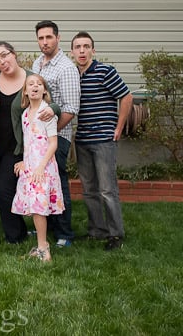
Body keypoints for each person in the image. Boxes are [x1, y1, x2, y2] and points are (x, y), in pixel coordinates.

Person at [0, 41, 61, 245]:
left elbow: (50, 101)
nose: (2, 61)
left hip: (19, 147)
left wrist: (54, 110)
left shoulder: (32, 79)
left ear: (14, 54)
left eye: (5, 55)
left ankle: (15, 237)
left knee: (4, 190)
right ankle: (18, 230)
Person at [71, 31, 133, 251]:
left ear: (93, 50)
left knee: (107, 189)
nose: (82, 51)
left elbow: (126, 97)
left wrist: (119, 127)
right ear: (72, 52)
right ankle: (97, 230)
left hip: (104, 140)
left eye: (86, 46)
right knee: (89, 189)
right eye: (77, 47)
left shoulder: (105, 71)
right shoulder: (73, 76)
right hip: (83, 139)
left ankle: (116, 234)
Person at [32, 20, 80, 248]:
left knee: (58, 184)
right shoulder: (38, 63)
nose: (44, 42)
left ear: (58, 38)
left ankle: (64, 234)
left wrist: (51, 134)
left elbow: (70, 109)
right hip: (38, 139)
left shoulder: (66, 68)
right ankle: (46, 227)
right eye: (40, 38)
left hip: (57, 138)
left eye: (48, 37)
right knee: (44, 184)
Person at [12, 74, 64, 262]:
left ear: (44, 90)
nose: (34, 86)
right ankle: (42, 246)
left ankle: (44, 247)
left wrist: (41, 166)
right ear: (25, 91)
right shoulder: (26, 114)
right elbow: (29, 141)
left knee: (40, 207)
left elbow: (53, 143)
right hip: (31, 167)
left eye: (39, 84)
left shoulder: (46, 113)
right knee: (35, 207)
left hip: (43, 168)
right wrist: (25, 162)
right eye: (30, 84)